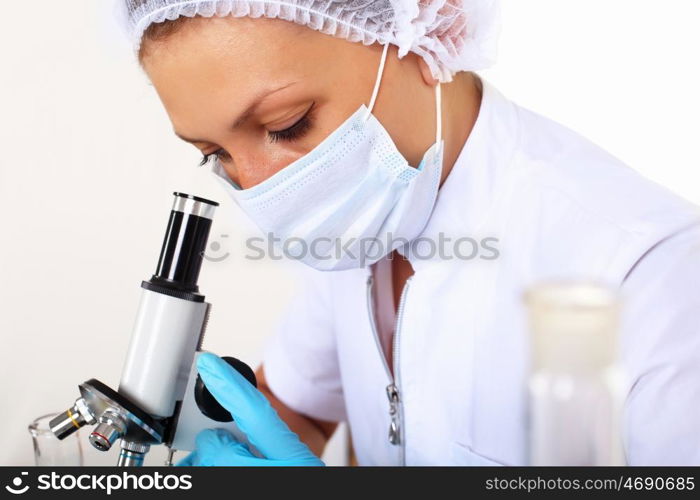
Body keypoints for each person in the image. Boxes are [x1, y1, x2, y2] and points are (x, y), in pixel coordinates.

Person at [121, 0, 700, 465]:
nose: (261, 189)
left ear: (429, 27)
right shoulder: (359, 225)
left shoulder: (650, 267)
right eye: (215, 154)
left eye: (287, 124)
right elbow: (304, 409)